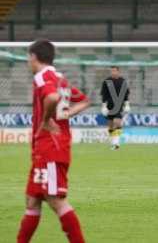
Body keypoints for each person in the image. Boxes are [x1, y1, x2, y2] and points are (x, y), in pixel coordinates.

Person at [17, 39, 90, 243]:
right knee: (32, 201)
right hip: (47, 148)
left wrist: (47, 119)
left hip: (51, 147)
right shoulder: (60, 78)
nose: (28, 61)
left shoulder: (43, 76)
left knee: (56, 200)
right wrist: (65, 114)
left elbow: (51, 98)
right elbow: (84, 100)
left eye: (28, 57)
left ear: (33, 57)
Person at [100, 66, 130, 150]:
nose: (113, 72)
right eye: (111, 71)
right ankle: (113, 142)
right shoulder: (106, 81)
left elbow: (126, 94)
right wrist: (103, 106)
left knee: (117, 122)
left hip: (119, 105)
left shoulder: (122, 81)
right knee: (110, 125)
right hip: (109, 105)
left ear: (118, 72)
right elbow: (104, 94)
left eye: (114, 71)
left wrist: (127, 104)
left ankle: (116, 143)